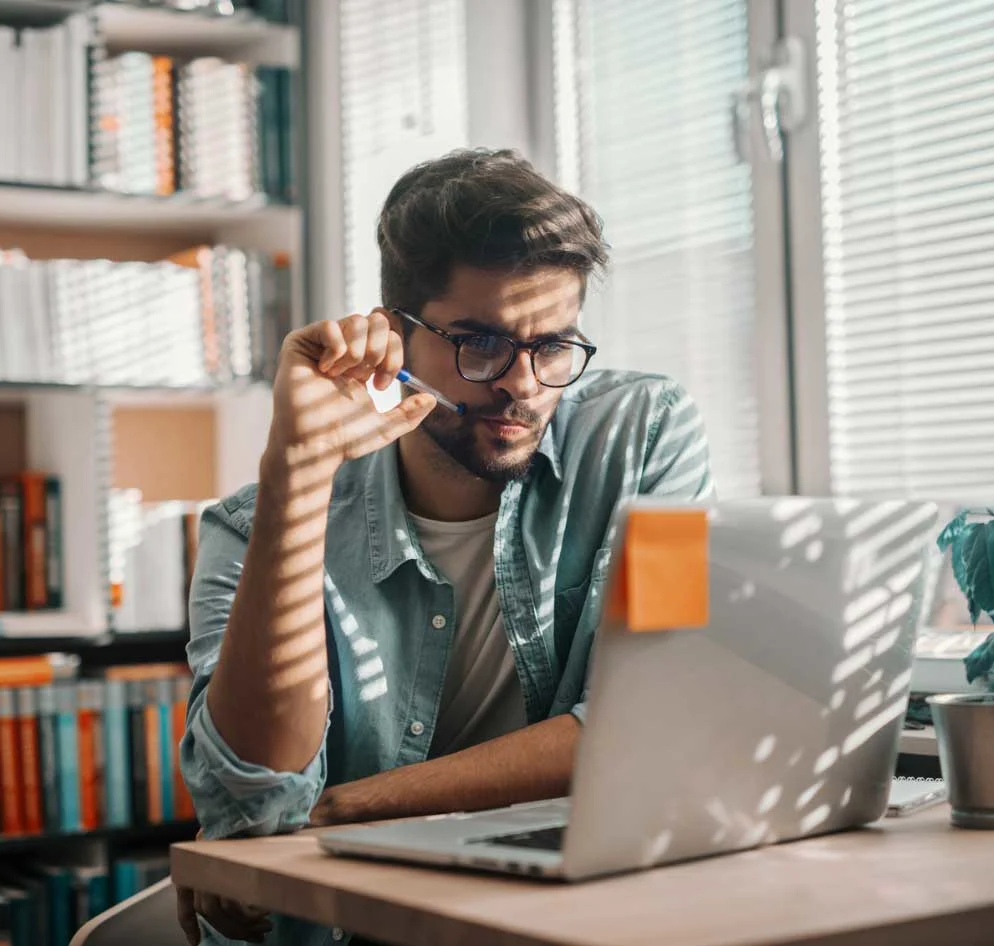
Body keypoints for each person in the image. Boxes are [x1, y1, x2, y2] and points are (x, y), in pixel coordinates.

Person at [175, 148, 714, 945]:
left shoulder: (644, 435)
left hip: (560, 916)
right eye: (480, 344)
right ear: (394, 338)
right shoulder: (250, 526)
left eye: (553, 344)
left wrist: (341, 810)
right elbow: (252, 799)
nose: (523, 385)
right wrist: (297, 470)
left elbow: (643, 725)